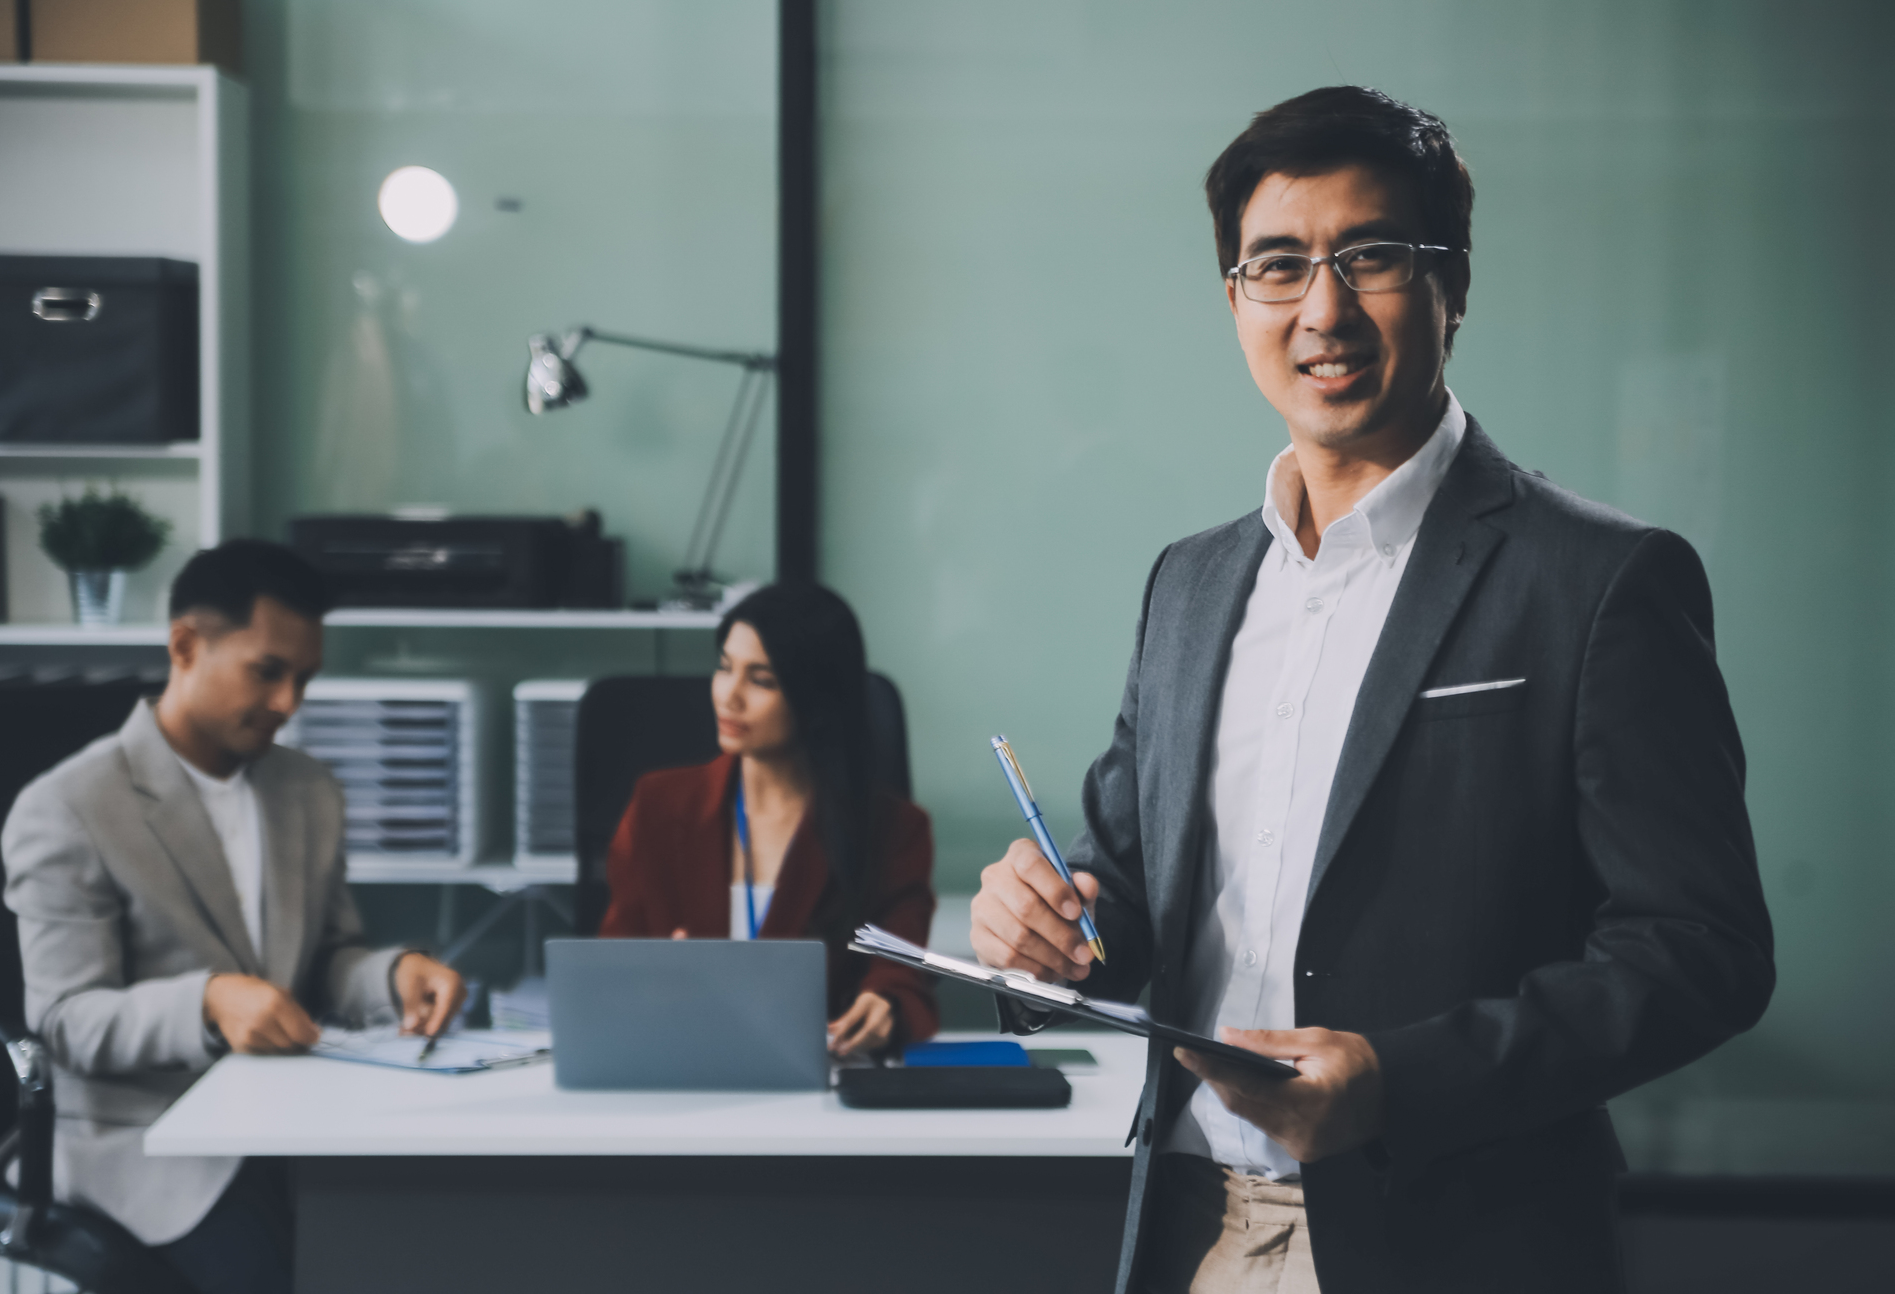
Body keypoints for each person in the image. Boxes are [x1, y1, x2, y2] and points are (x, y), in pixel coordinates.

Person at [968, 86, 1773, 1294]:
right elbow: (1124, 892)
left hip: (1455, 1243)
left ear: (1454, 285)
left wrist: (1402, 1083)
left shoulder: (1601, 582)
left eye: (1374, 257)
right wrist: (1047, 938)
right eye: (1278, 265)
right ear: (1234, 298)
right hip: (1192, 1231)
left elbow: (1699, 950)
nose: (1323, 309)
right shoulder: (1189, 586)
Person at [1, 540, 465, 1294]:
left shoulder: (307, 791)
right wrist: (208, 1001)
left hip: (293, 1117)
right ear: (185, 646)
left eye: (304, 678)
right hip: (146, 1146)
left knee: (432, 1236)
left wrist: (394, 973)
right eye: (267, 671)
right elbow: (65, 1021)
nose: (290, 703)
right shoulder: (67, 807)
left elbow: (328, 957)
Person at [601, 582, 937, 1056]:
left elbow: (900, 968)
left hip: (813, 1079)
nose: (729, 695)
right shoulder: (659, 805)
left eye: (761, 679)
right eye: (724, 668)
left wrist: (885, 1003)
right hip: (678, 1065)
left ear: (816, 697)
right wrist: (650, 976)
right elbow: (610, 968)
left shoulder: (894, 830)